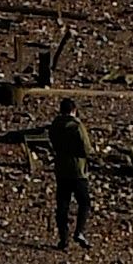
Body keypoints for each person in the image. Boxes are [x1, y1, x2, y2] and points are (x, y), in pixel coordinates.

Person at [46, 97, 93, 251]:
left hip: (61, 169)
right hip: (78, 170)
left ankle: (63, 239)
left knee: (62, 204)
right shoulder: (77, 126)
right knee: (84, 202)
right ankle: (79, 231)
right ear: (74, 110)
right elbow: (86, 148)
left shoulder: (55, 125)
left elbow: (52, 142)